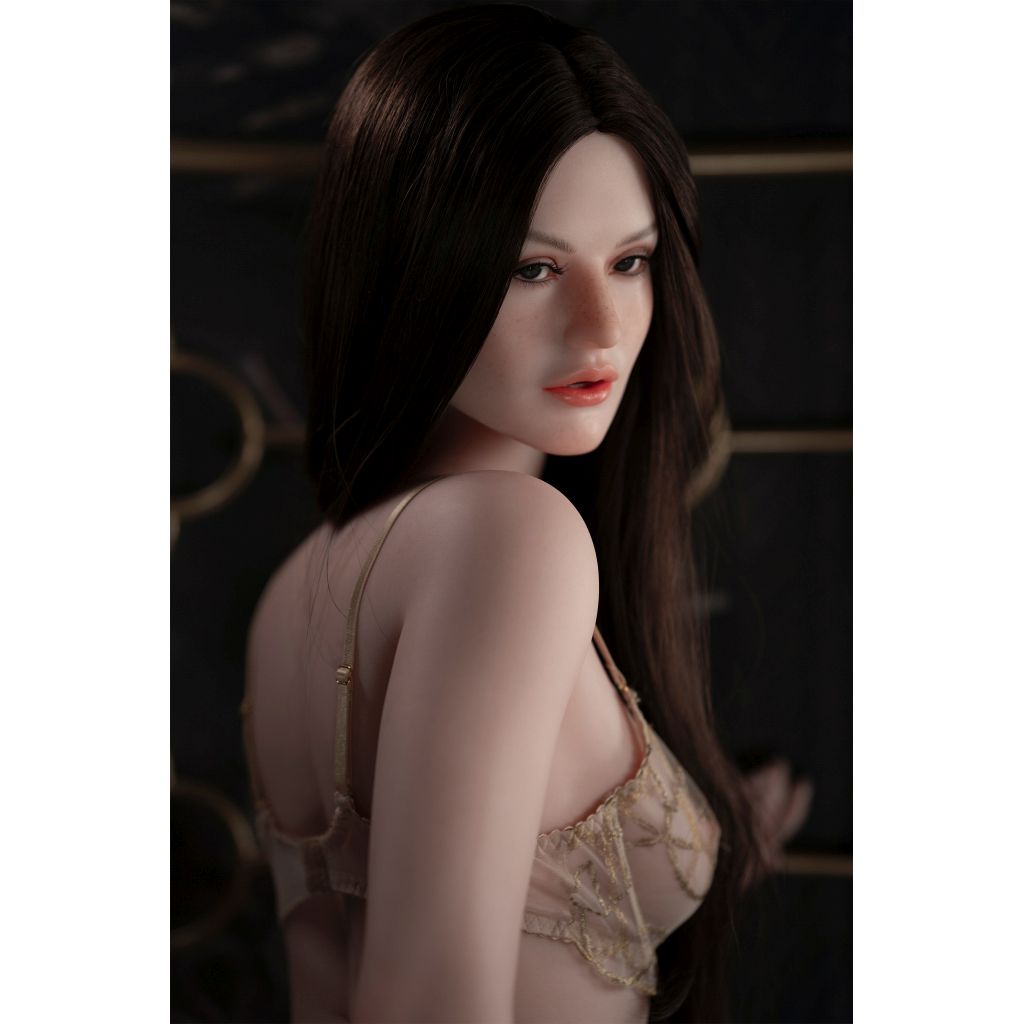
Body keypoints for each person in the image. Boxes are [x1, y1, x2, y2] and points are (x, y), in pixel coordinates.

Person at [242, 5, 809, 1022]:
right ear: (412, 271)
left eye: (630, 262)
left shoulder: (304, 583)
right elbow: (422, 1002)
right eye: (532, 269)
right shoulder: (512, 539)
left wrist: (701, 846)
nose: (602, 328)